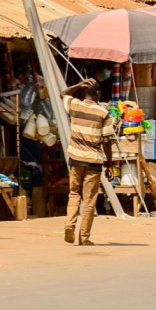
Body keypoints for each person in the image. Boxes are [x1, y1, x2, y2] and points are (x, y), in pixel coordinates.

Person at [62, 78, 115, 246]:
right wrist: (109, 163)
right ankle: (84, 237)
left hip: (75, 158)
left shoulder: (75, 105)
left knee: (74, 194)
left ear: (85, 92)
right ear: (98, 94)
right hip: (93, 162)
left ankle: (69, 224)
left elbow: (63, 94)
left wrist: (77, 84)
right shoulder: (103, 113)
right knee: (90, 200)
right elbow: (107, 141)